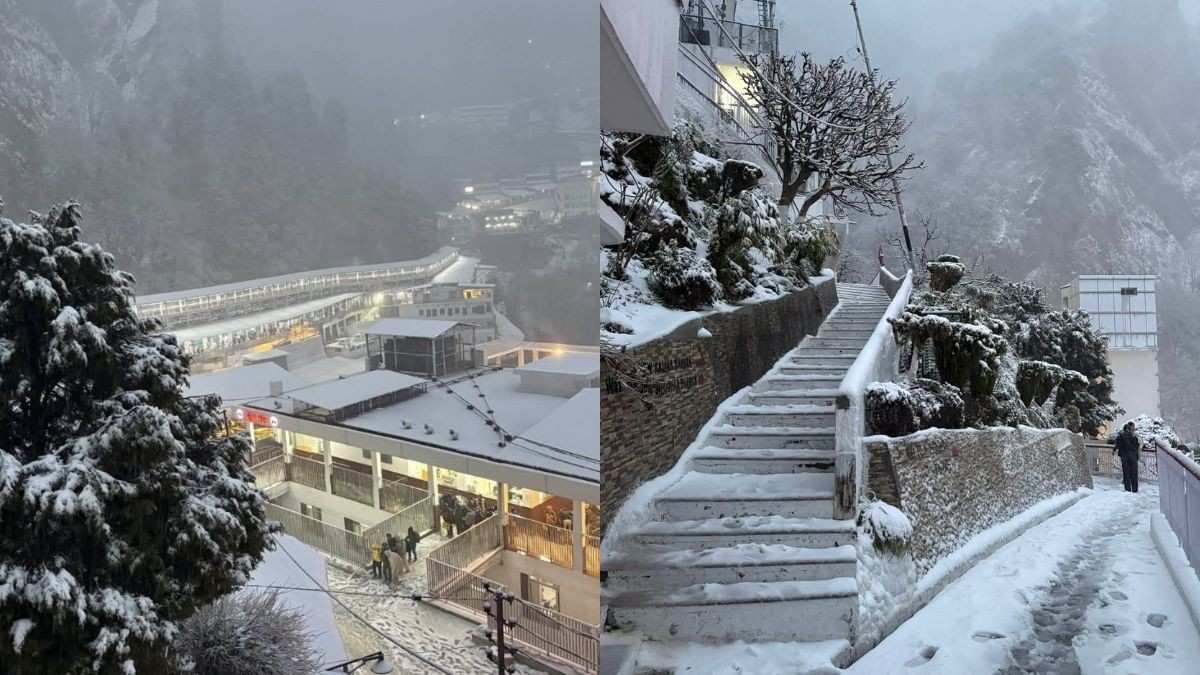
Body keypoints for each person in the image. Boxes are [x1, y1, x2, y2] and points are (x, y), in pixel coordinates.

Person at [1113, 421, 1142, 493]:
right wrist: (1137, 455)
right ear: (1129, 429)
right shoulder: (1134, 437)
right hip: (1133, 457)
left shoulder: (1120, 437)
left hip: (1124, 456)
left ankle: (1127, 489)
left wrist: (1114, 451)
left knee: (1126, 473)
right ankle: (1135, 489)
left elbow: (1117, 445)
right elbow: (1137, 446)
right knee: (1134, 473)